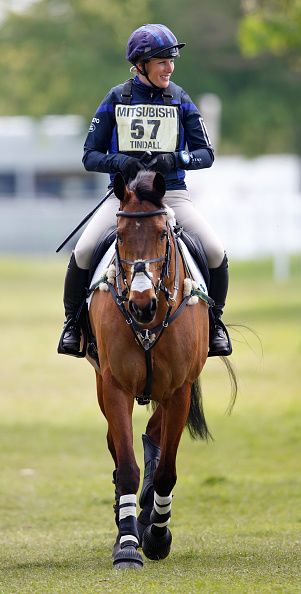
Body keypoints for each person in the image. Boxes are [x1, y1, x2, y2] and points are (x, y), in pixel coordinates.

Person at [58, 23, 232, 358]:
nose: (170, 67)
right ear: (141, 64)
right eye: (162, 60)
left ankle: (215, 325)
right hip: (124, 199)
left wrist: (174, 160)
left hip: (172, 197)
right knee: (83, 252)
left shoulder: (179, 99)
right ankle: (73, 326)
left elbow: (206, 153)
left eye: (172, 60)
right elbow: (90, 156)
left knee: (214, 251)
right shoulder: (116, 98)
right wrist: (120, 162)